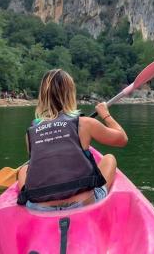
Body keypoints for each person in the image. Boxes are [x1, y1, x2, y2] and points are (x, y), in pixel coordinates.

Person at [17, 69, 128, 211]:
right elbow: (122, 139)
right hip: (82, 204)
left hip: (39, 208)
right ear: (70, 94)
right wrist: (105, 114)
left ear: (43, 97)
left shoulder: (30, 133)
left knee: (24, 169)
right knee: (109, 158)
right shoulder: (85, 123)